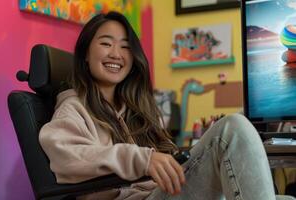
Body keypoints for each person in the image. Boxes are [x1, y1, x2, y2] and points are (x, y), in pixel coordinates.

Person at [39, 11, 295, 200]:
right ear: (85, 54)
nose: (116, 53)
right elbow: (67, 156)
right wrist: (142, 159)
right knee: (232, 129)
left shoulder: (132, 109)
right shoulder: (73, 107)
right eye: (106, 43)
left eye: (125, 47)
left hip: (161, 193)